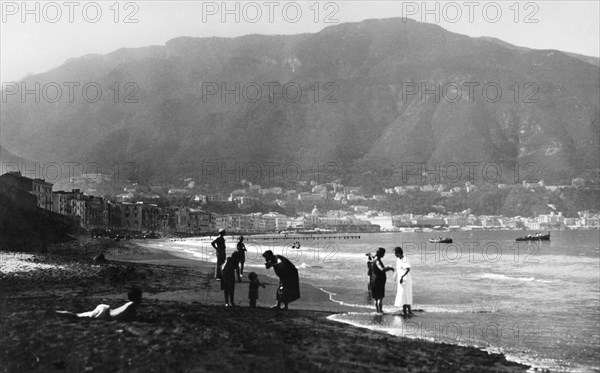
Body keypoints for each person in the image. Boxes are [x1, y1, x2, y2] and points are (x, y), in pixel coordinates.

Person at [55, 288, 142, 321]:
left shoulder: (129, 304)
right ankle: (55, 313)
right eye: (140, 296)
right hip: (105, 313)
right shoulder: (132, 304)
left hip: (105, 309)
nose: (141, 299)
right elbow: (132, 319)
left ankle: (56, 313)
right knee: (76, 316)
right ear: (136, 297)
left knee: (77, 315)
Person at [371, 247, 394, 313]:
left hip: (374, 280)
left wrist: (387, 267)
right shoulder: (378, 261)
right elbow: (382, 269)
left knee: (376, 298)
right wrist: (389, 268)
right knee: (380, 298)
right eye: (383, 253)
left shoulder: (374, 260)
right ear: (381, 254)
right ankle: (380, 311)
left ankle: (377, 311)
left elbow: (379, 268)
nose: (384, 255)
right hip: (378, 281)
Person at [393, 246, 413, 316]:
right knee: (402, 295)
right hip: (400, 280)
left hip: (405, 279)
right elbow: (397, 268)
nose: (395, 255)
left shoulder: (405, 259)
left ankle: (409, 311)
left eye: (395, 253)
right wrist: (395, 275)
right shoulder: (398, 259)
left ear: (399, 253)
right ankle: (405, 311)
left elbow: (408, 269)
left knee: (406, 294)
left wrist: (402, 276)